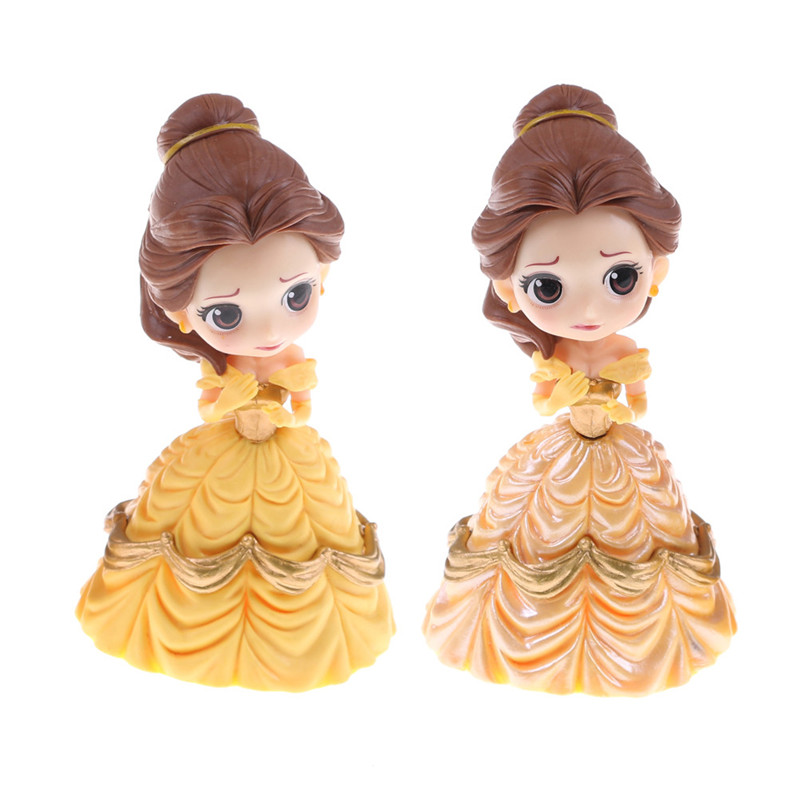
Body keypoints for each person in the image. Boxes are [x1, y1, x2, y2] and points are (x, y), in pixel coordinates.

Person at [423, 85, 735, 696]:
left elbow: (637, 394)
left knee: (637, 532)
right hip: (563, 445)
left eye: (619, 278)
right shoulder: (557, 355)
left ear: (656, 270)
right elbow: (544, 399)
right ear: (510, 290)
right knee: (536, 527)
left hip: (619, 449)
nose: (590, 309)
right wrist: (569, 392)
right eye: (549, 287)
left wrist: (621, 402)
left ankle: (646, 644)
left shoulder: (621, 350)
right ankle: (526, 637)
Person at [77, 94, 394, 691]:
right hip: (222, 451)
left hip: (287, 453)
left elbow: (302, 404)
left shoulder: (290, 359)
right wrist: (237, 401)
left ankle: (303, 645)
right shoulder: (224, 368)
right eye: (225, 313)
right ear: (181, 311)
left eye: (296, 296)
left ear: (322, 275)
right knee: (196, 528)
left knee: (306, 536)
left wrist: (285, 411)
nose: (269, 329)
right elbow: (210, 405)